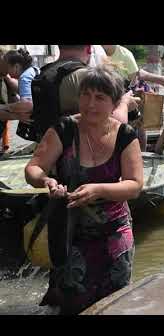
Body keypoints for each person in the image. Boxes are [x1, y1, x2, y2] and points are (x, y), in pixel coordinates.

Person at [24, 65, 144, 315]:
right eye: (85, 95)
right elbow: (33, 168)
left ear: (113, 103)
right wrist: (45, 181)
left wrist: (99, 189)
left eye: (99, 98)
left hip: (114, 232)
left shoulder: (125, 135)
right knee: (71, 304)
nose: (90, 104)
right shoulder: (64, 129)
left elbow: (134, 185)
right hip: (70, 233)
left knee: (116, 303)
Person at [102, 45, 147, 150]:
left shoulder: (126, 55)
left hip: (125, 93)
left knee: (138, 120)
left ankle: (141, 153)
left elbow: (136, 82)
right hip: (105, 95)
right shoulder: (96, 51)